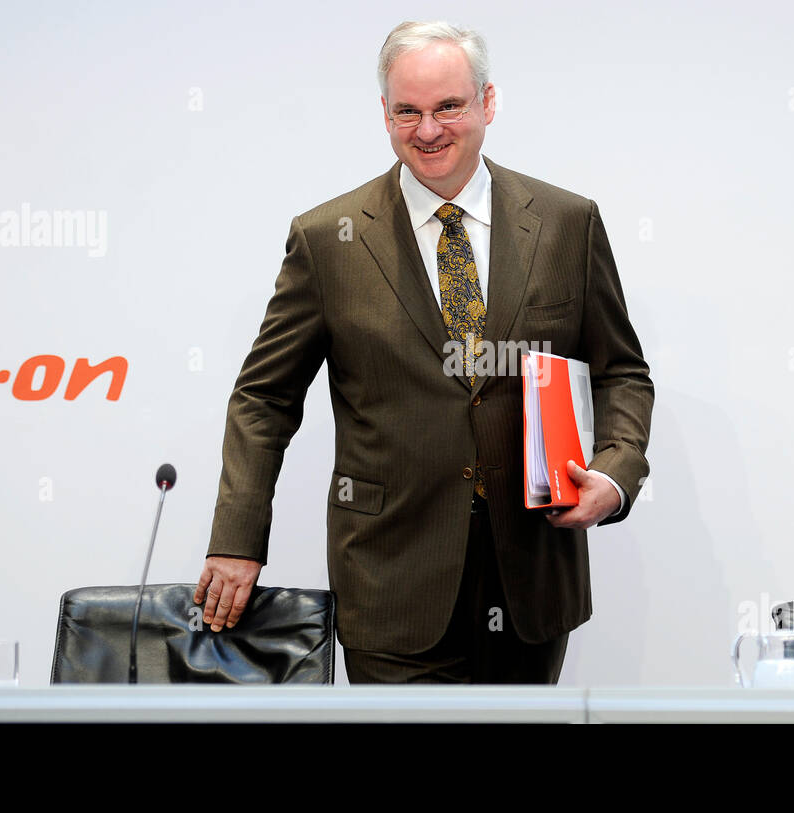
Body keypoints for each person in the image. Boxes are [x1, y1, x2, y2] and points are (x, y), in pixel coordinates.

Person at [194, 20, 653, 683]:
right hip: (390, 585)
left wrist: (613, 474)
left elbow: (622, 372)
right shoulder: (329, 239)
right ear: (384, 113)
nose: (428, 130)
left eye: (448, 107)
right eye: (407, 110)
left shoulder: (566, 224)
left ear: (487, 104)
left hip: (529, 584)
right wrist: (237, 538)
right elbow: (263, 398)